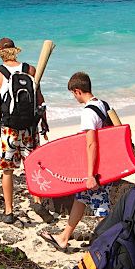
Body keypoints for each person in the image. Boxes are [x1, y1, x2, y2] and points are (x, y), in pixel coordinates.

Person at [40, 72, 112, 252]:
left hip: (97, 169)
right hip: (105, 164)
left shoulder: (88, 112)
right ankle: (64, 237)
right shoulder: (102, 104)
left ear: (77, 91)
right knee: (80, 199)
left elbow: (92, 143)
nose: (74, 97)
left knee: (101, 207)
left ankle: (112, 245)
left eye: (73, 94)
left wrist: (91, 175)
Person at [0, 37, 53, 224]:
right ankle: (37, 202)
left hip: (9, 129)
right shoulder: (30, 69)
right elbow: (40, 100)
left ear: (0, 54)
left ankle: (9, 212)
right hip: (30, 126)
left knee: (7, 170)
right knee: (31, 166)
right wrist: (44, 124)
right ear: (16, 51)